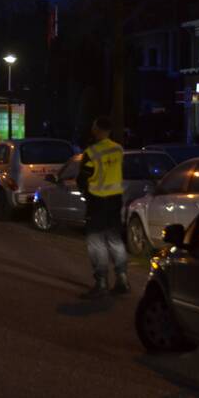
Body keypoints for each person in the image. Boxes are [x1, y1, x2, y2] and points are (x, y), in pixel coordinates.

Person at [76, 115, 129, 299]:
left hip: (98, 201)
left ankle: (101, 283)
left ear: (97, 129)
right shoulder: (118, 149)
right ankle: (122, 278)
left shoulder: (92, 152)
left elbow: (82, 179)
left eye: (93, 126)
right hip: (115, 200)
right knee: (115, 239)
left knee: (96, 242)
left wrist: (85, 192)